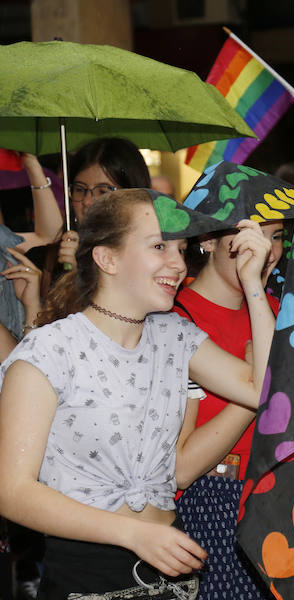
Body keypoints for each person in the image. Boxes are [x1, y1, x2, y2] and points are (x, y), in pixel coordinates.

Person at [0, 189, 275, 598]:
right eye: (160, 246)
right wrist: (134, 534)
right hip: (88, 574)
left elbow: (265, 391)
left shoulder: (176, 335)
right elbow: (12, 491)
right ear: (106, 258)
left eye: (181, 249)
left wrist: (253, 283)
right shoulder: (50, 351)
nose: (179, 264)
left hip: (171, 567)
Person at [173, 218, 285, 599]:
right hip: (208, 503)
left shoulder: (282, 311)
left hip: (276, 496)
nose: (265, 250)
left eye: (276, 237)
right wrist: (260, 385)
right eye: (250, 235)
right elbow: (182, 469)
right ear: (207, 241)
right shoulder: (173, 318)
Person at [49, 137, 151, 283]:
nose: (87, 201)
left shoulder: (152, 258)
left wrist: (77, 277)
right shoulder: (50, 259)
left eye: (103, 191)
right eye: (79, 189)